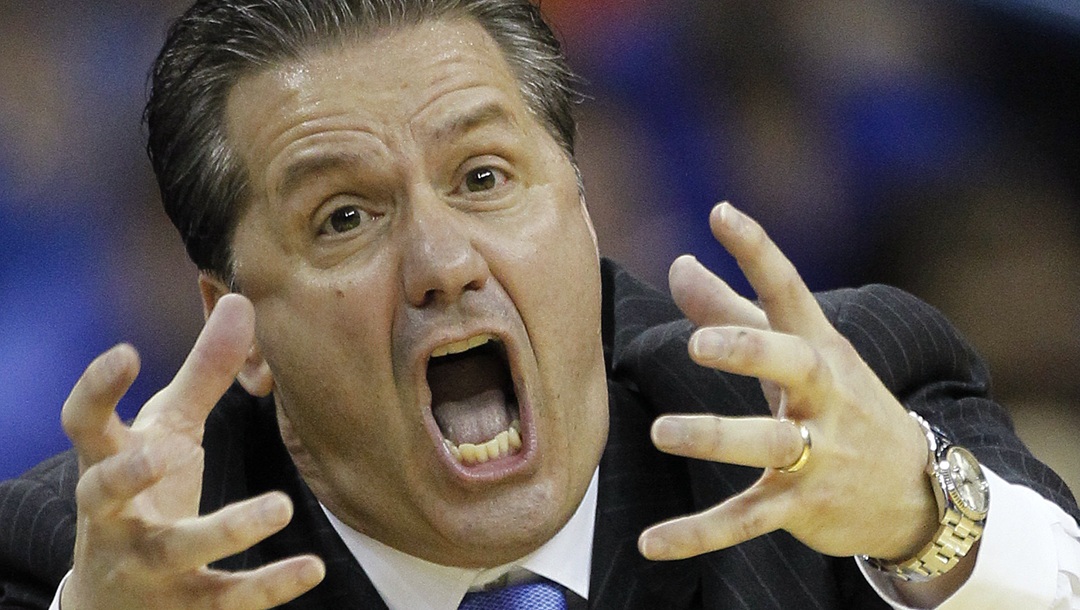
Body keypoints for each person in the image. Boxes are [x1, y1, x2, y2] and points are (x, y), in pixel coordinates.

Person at [1, 1, 1077, 608]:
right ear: (238, 326)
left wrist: (924, 518)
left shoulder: (839, 412)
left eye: (482, 179)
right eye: (343, 219)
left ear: (586, 209)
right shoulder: (89, 562)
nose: (441, 261)